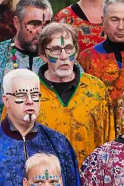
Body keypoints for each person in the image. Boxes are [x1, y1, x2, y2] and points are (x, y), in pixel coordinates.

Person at [34, 22, 112, 167]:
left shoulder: (95, 90)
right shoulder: (30, 90)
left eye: (69, 49)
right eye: (56, 50)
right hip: (45, 182)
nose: (64, 56)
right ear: (43, 55)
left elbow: (109, 139)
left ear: (76, 53)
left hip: (89, 180)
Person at [0, 0, 52, 123]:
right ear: (17, 23)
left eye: (46, 25)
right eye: (34, 24)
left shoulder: (59, 59)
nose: (41, 31)